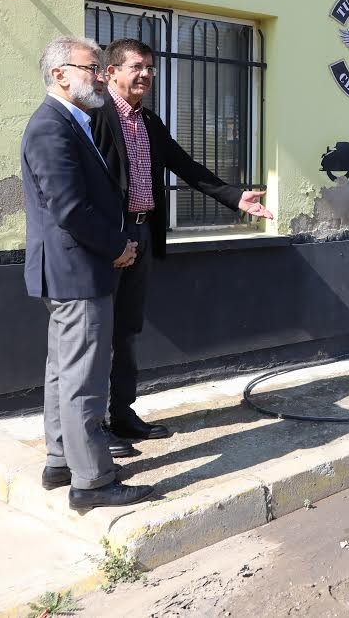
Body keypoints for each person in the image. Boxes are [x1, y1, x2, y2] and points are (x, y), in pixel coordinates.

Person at [91, 38, 274, 457]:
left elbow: (186, 166)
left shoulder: (149, 121)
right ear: (112, 71)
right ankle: (95, 426)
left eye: (151, 69)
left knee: (128, 330)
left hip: (142, 235)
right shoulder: (96, 118)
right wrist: (106, 238)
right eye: (136, 67)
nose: (146, 75)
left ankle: (121, 413)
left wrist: (234, 197)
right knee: (97, 334)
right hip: (108, 241)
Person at [21, 35, 154, 510]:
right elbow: (70, 207)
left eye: (100, 69)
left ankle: (60, 460)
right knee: (84, 379)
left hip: (71, 270)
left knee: (62, 372)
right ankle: (93, 482)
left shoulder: (73, 122)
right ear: (60, 74)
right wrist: (118, 246)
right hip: (78, 270)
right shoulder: (51, 127)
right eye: (91, 68)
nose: (100, 76)